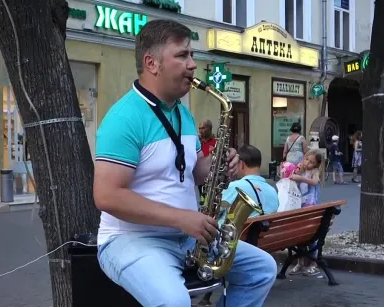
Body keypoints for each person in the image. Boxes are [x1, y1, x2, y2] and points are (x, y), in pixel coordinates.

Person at [93, 19, 276, 307]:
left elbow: (191, 172)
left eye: (192, 55)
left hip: (185, 238)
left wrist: (217, 164)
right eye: (182, 55)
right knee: (174, 302)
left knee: (262, 270)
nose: (193, 65)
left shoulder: (183, 114)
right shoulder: (124, 118)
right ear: (152, 63)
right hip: (130, 240)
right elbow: (107, 196)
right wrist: (181, 218)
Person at [199, 144, 279, 306]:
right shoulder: (272, 190)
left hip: (239, 242)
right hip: (266, 240)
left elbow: (213, 215)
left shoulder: (235, 187)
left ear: (240, 164)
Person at [288, 149, 323, 276]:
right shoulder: (301, 170)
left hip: (310, 205)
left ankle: (313, 263)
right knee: (299, 236)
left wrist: (301, 178)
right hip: (299, 204)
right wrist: (295, 173)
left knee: (311, 235)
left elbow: (314, 182)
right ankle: (300, 262)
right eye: (306, 159)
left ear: (317, 164)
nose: (308, 163)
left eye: (311, 162)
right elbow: (292, 180)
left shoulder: (315, 172)